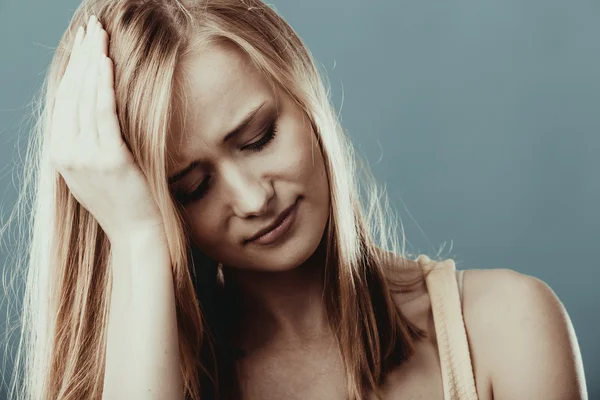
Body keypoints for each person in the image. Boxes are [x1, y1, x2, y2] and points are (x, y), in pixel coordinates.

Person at [3, 0, 587, 399]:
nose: (253, 198)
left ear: (305, 95)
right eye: (192, 189)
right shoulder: (139, 378)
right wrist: (136, 241)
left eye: (258, 139)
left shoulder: (506, 326)